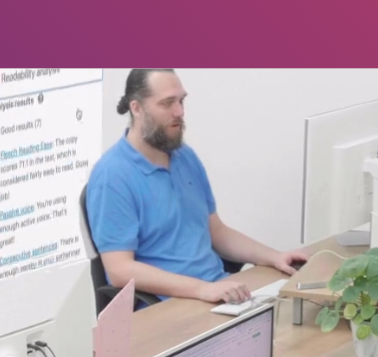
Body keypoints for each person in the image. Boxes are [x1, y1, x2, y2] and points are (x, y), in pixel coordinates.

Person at [86, 68, 307, 305]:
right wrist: (202, 289)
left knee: (292, 318)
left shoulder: (184, 156)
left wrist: (274, 257)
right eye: (167, 103)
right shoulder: (112, 175)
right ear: (136, 108)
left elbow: (217, 233)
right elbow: (120, 270)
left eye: (181, 101)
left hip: (217, 291)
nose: (179, 112)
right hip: (170, 307)